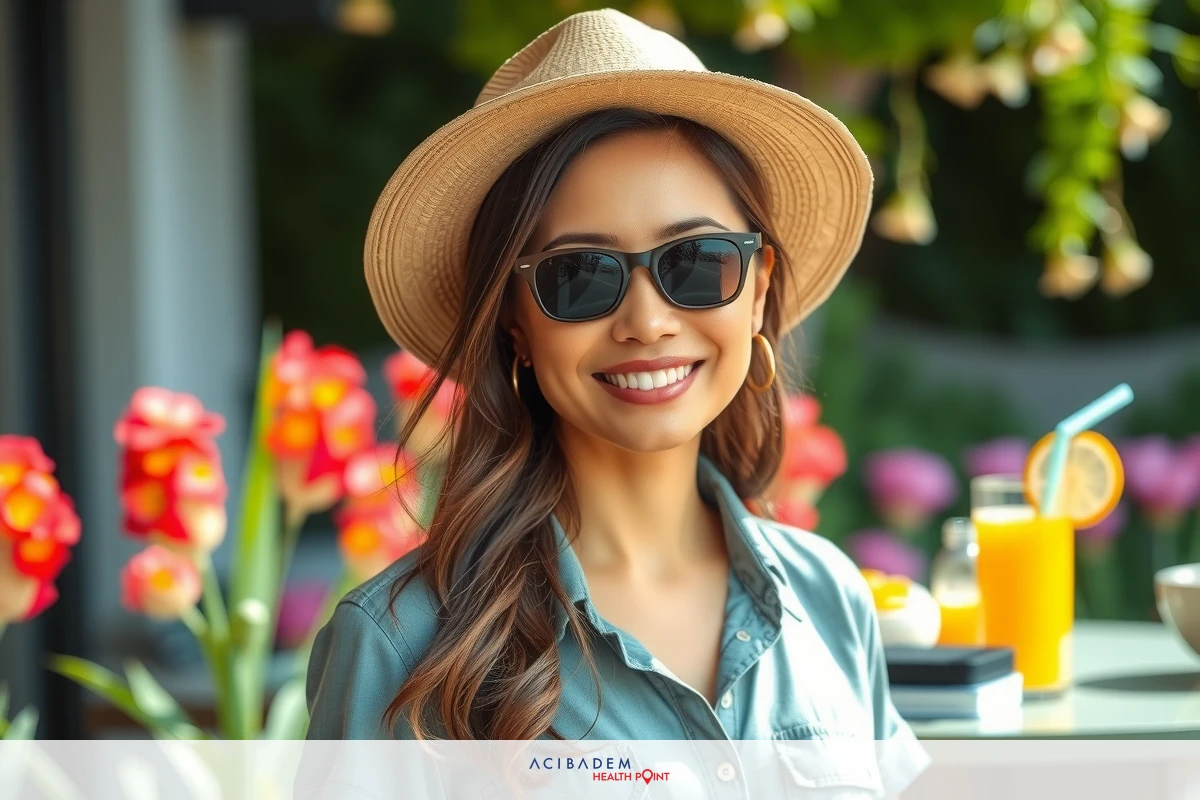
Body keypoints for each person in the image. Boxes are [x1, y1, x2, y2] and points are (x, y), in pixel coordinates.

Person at [304, 7, 929, 796]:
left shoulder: (829, 597)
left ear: (758, 286)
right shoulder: (400, 644)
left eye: (696, 262)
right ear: (514, 321)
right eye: (580, 276)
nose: (647, 322)